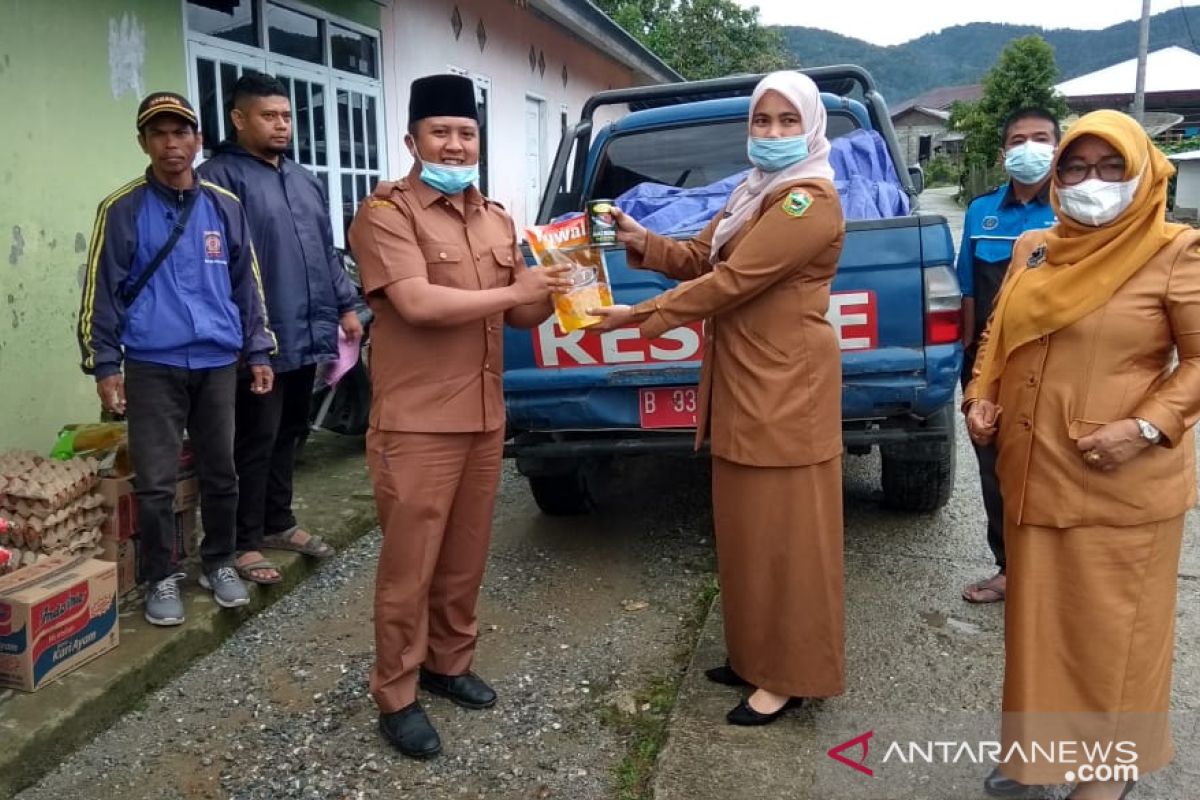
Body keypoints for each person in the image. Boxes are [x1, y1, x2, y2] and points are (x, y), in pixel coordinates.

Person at [591, 71, 847, 725]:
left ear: (811, 128)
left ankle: (789, 675)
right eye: (763, 121)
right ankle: (754, 654)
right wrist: (639, 239)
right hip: (743, 381)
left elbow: (733, 281)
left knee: (788, 539)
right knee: (746, 533)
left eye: (788, 121)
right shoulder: (753, 191)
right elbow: (704, 254)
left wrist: (639, 316)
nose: (773, 133)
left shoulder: (806, 201)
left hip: (787, 391)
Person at [964, 109, 1200, 800]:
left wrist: (1146, 426)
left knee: (1111, 636)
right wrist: (983, 392)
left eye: (1108, 169)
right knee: (1042, 634)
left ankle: (1109, 773)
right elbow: (998, 335)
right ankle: (1040, 758)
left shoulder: (1174, 250)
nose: (1089, 182)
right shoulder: (1036, 247)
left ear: (1140, 174)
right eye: (1076, 167)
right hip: (1034, 473)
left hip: (1118, 477)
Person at [346, 74, 570, 759]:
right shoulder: (387, 214)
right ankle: (397, 693)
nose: (455, 143)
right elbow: (415, 303)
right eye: (441, 132)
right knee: (409, 568)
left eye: (466, 133)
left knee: (465, 558)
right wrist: (517, 290)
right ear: (412, 140)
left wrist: (563, 284)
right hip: (416, 423)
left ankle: (449, 665)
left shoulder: (498, 218)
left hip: (482, 415)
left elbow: (520, 309)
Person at [78, 92, 276, 626]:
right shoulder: (121, 209)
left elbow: (247, 286)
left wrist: (257, 349)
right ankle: (160, 575)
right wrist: (105, 364)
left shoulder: (224, 206)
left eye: (181, 132)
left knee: (221, 470)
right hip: (151, 363)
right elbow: (102, 291)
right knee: (156, 480)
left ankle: (218, 562)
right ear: (143, 143)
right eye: (159, 134)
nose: (172, 144)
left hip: (216, 362)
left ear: (198, 140)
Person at [199, 72, 361, 585]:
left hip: (308, 331)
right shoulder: (218, 178)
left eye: (287, 116)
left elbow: (327, 247)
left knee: (293, 431)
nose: (282, 125)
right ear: (238, 118)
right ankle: (244, 541)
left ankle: (279, 520)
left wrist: (346, 305)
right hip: (259, 338)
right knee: (255, 438)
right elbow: (214, 267)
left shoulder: (302, 178)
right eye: (269, 116)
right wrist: (245, 338)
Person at [957, 107, 1060, 604]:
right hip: (990, 363)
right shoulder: (981, 212)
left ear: (1059, 148)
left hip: (1056, 361)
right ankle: (1009, 568)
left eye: (1041, 138)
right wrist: (968, 372)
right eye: (1018, 139)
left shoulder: (1076, 209)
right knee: (995, 468)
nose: (1029, 147)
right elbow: (967, 293)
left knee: (1058, 466)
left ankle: (1059, 574)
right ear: (1004, 153)